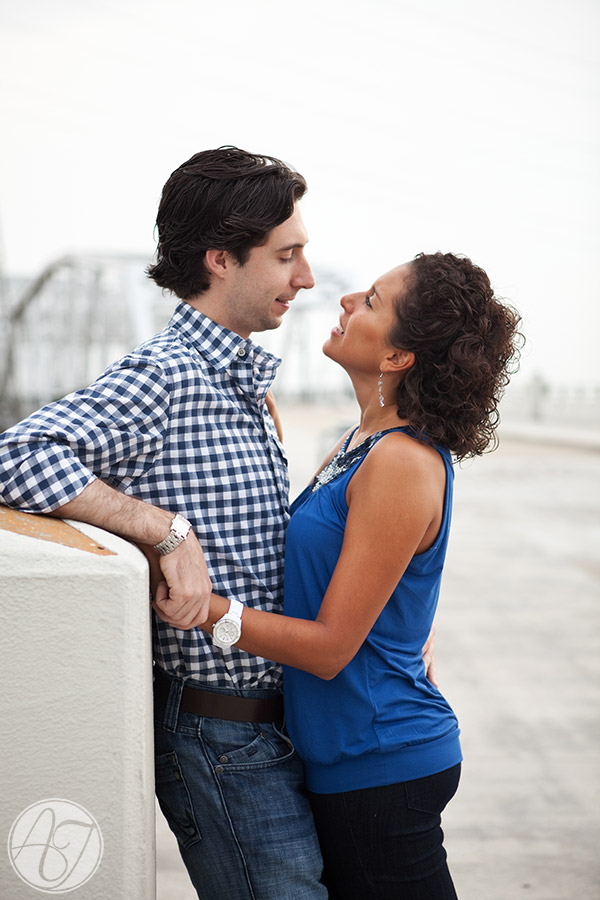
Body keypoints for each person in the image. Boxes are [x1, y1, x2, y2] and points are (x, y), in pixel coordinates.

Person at [0, 147, 329, 900]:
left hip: (266, 727)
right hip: (221, 734)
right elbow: (16, 455)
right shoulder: (167, 375)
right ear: (221, 259)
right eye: (286, 257)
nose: (306, 279)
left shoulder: (238, 383)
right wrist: (163, 529)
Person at [180, 251, 523, 899]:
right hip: (354, 757)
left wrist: (204, 610)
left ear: (398, 357)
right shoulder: (358, 442)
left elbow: (332, 648)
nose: (344, 301)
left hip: (381, 763)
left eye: (370, 301)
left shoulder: (401, 461)